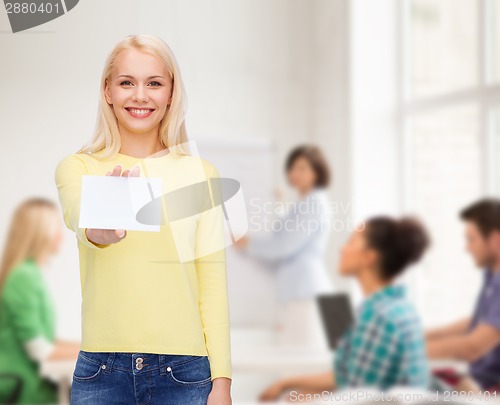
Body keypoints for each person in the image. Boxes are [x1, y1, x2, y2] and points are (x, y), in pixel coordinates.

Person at [54, 35, 231, 404]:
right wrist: (99, 230)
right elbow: (78, 217)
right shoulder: (79, 167)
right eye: (126, 82)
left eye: (154, 83)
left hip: (185, 374)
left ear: (170, 92)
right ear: (108, 91)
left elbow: (212, 283)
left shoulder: (201, 174)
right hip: (101, 372)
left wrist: (223, 383)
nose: (140, 95)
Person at [259, 216, 431, 401]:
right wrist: (289, 384)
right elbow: (349, 377)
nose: (342, 249)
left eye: (351, 242)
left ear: (369, 257)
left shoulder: (377, 317)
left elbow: (358, 397)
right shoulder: (398, 307)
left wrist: (313, 399)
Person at [234, 145, 333, 348]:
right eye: (292, 168)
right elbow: (285, 235)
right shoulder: (305, 203)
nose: (294, 173)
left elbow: (285, 245)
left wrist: (248, 243)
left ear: (317, 172)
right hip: (303, 294)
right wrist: (280, 204)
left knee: (302, 365)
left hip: (307, 295)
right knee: (300, 363)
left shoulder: (315, 202)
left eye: (302, 168)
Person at [0, 198, 81, 404]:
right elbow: (41, 350)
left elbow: (46, 340)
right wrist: (94, 354)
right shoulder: (23, 277)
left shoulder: (29, 274)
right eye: (56, 227)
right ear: (39, 233)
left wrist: (93, 349)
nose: (61, 236)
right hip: (20, 390)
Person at [427, 198, 500, 392]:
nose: (467, 248)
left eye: (471, 239)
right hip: (478, 382)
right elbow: (480, 322)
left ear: (494, 240)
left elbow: (473, 347)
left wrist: (406, 352)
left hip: (490, 389)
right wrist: (423, 335)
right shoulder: (492, 276)